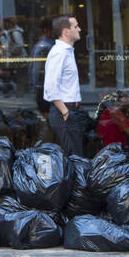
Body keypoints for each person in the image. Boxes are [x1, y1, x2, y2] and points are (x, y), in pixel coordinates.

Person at [43, 15, 85, 158]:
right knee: (74, 158)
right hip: (64, 112)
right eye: (75, 26)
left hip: (71, 110)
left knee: (76, 157)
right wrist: (65, 111)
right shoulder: (59, 53)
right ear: (66, 32)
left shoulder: (67, 51)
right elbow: (50, 86)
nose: (79, 29)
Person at [29, 17, 54, 115]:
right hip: (45, 88)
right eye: (54, 29)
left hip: (44, 88)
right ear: (46, 30)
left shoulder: (41, 45)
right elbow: (39, 70)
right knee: (47, 115)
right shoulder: (45, 46)